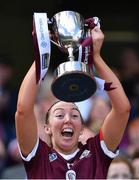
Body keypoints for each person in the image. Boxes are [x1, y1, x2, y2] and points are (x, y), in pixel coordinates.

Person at [15, 26, 131, 179]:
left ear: (82, 129)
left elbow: (122, 109)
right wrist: (41, 55)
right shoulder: (39, 157)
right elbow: (23, 110)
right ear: (47, 128)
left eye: (75, 115)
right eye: (59, 115)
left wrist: (96, 58)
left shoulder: (96, 153)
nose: (68, 119)